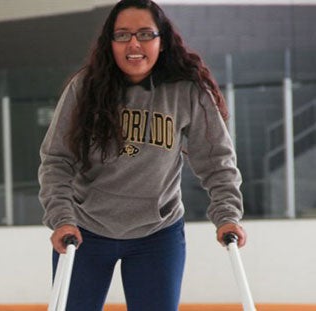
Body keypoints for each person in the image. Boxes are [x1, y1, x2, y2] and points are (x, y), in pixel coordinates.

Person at [38, 0, 247, 310]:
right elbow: (57, 161)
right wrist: (62, 218)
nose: (134, 43)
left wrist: (227, 214)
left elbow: (216, 161)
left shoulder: (187, 91)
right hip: (84, 231)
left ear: (161, 41)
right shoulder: (84, 89)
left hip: (157, 234)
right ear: (109, 43)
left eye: (145, 34)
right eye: (122, 35)